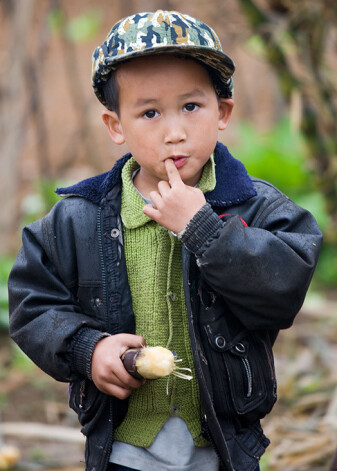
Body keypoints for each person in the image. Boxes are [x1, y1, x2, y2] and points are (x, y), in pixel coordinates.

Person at [8, 10, 322, 471]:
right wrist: (86, 348)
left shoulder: (255, 208)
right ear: (116, 126)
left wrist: (204, 229)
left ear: (222, 112)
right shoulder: (79, 218)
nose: (174, 132)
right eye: (150, 112)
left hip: (223, 444)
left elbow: (282, 291)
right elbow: (33, 302)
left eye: (191, 107)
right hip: (122, 446)